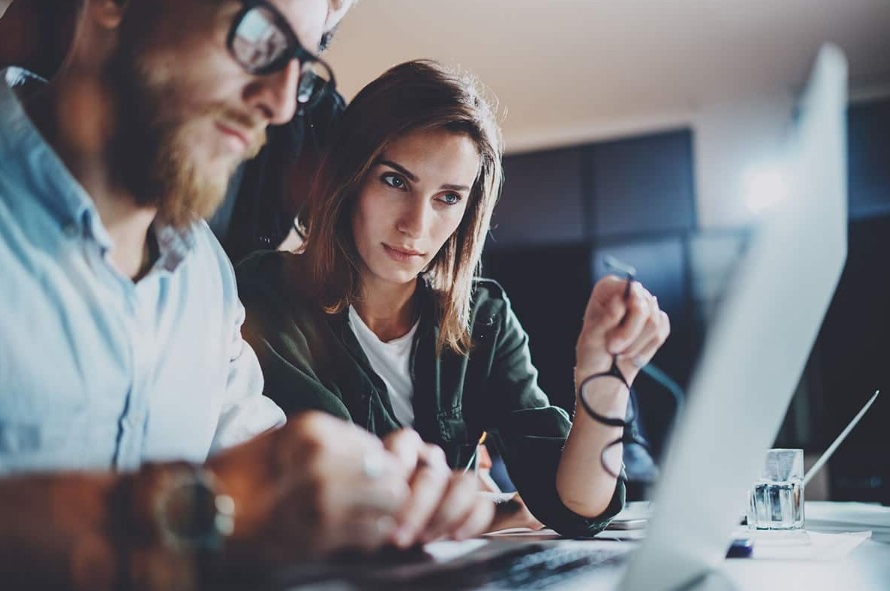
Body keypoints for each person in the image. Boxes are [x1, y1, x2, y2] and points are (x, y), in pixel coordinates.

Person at [0, 2, 492, 588]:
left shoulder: (205, 277)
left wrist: (377, 496)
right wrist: (190, 515)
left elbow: (266, 470)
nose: (282, 104)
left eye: (303, 69)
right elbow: (232, 505)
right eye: (259, 34)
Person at [237, 59, 672, 538]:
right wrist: (493, 511)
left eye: (448, 197)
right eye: (395, 180)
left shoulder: (483, 316)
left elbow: (576, 508)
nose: (416, 226)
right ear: (349, 176)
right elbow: (355, 488)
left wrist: (605, 378)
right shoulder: (269, 294)